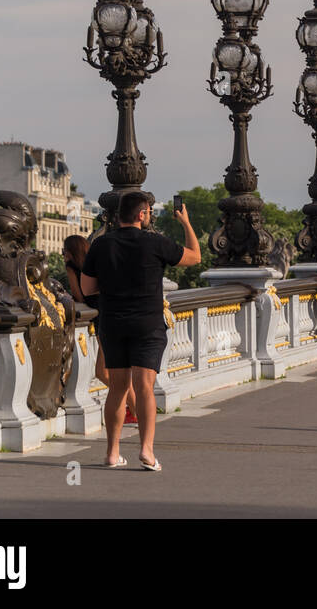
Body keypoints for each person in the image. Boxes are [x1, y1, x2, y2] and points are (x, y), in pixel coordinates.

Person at [81, 191, 200, 471]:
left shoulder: (101, 245)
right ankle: (146, 451)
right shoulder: (155, 243)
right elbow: (195, 257)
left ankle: (112, 453)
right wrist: (185, 222)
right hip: (147, 324)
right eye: (148, 212)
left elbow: (87, 290)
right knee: (144, 387)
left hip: (112, 323)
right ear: (141, 214)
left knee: (118, 388)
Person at [63, 234, 138, 425]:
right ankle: (135, 409)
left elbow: (79, 296)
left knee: (106, 373)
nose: (62, 255)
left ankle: (139, 411)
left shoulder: (72, 267)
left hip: (106, 320)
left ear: (71, 253)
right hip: (120, 313)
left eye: (64, 251)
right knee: (112, 372)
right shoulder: (96, 263)